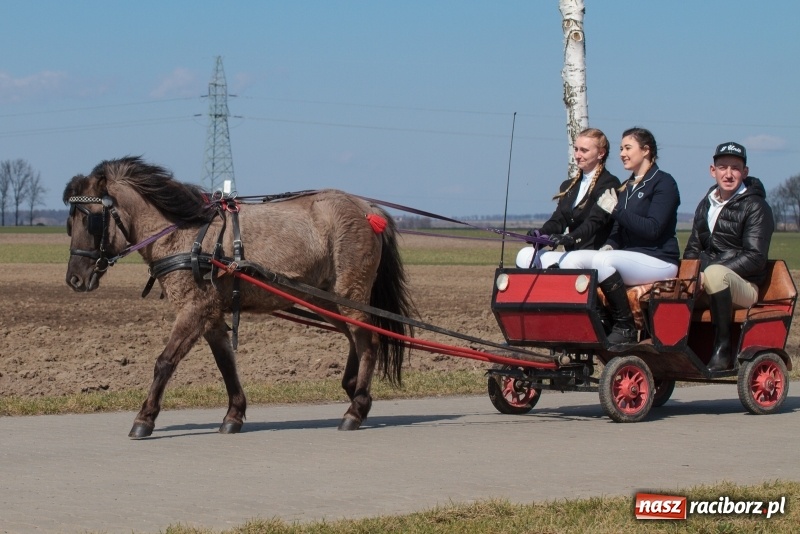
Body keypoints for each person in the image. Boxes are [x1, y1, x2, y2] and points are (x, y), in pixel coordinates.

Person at [554, 127, 681, 345]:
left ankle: (626, 326)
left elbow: (653, 229)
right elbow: (617, 231)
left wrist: (616, 211)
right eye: (621, 148)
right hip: (632, 259)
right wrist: (610, 245)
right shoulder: (626, 187)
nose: (622, 153)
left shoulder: (664, 183)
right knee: (573, 260)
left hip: (659, 259)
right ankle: (602, 320)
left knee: (602, 261)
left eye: (628, 148)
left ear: (646, 150)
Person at [683, 142, 774, 371]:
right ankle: (669, 351)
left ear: (745, 172)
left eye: (735, 168)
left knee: (715, 274)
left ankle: (723, 350)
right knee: (663, 283)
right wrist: (689, 277)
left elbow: (755, 257)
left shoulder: (756, 206)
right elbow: (693, 249)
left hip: (745, 287)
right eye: (723, 167)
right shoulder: (705, 205)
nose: (729, 174)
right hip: (708, 283)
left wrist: (708, 273)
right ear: (712, 171)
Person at [516, 127, 620, 269]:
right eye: (576, 149)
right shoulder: (568, 186)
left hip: (595, 254)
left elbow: (594, 222)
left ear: (601, 153)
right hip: (571, 254)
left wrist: (570, 237)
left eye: (584, 150)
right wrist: (540, 233)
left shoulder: (609, 183)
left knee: (570, 261)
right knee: (525, 255)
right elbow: (558, 220)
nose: (577, 155)